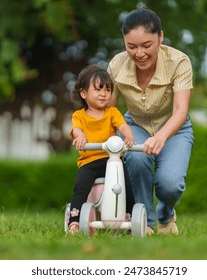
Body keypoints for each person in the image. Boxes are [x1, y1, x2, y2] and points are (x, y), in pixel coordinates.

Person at [107, 7, 194, 236]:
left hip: (175, 128)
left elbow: (181, 110)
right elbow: (108, 109)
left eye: (147, 45)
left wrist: (161, 137)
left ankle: (166, 216)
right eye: (131, 46)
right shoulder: (116, 65)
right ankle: (145, 222)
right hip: (134, 125)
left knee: (170, 184)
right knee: (135, 158)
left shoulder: (179, 62)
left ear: (161, 37)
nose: (139, 53)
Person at [67, 64, 135, 235]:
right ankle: (74, 221)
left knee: (126, 184)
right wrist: (80, 137)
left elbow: (122, 125)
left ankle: (130, 215)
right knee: (80, 187)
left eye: (108, 90)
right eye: (98, 89)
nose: (104, 94)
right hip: (89, 161)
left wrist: (128, 136)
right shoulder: (79, 115)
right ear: (83, 93)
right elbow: (76, 129)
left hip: (112, 160)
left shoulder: (112, 112)